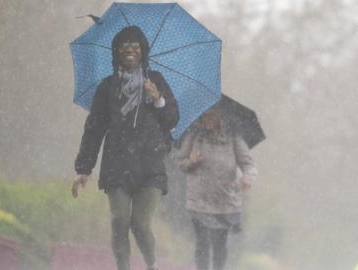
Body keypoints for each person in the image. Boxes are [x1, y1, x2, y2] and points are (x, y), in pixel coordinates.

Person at [71, 26, 179, 270]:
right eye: (124, 46)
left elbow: (172, 119)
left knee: (140, 224)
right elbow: (94, 129)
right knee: (119, 221)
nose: (129, 50)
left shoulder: (157, 80)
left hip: (151, 165)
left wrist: (158, 99)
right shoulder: (108, 87)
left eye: (135, 46)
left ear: (143, 51)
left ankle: (152, 265)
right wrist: (83, 169)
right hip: (117, 165)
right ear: (116, 52)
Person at [177, 105, 258, 270]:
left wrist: (247, 177)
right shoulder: (193, 136)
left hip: (224, 202)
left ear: (221, 116)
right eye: (204, 115)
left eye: (212, 115)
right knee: (202, 243)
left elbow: (249, 164)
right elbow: (181, 163)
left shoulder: (234, 138)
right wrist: (191, 161)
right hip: (199, 201)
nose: (208, 119)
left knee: (220, 245)